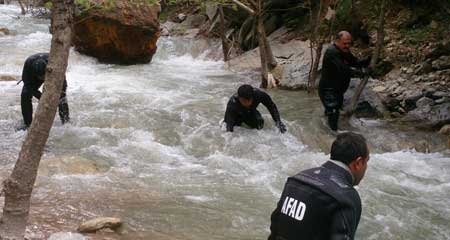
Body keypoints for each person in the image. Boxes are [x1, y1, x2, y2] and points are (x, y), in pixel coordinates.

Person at [268, 132, 370, 240]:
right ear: (358, 163)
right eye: (367, 161)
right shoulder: (346, 196)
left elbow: (274, 229)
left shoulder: (296, 180)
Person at [319, 31, 371, 131]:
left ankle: (326, 130)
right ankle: (331, 137)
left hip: (338, 90)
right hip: (328, 91)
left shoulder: (344, 51)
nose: (347, 46)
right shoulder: (332, 52)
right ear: (337, 41)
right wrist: (360, 74)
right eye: (345, 43)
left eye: (349, 43)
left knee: (333, 113)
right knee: (333, 113)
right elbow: (343, 69)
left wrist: (367, 60)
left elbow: (354, 62)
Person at [19, 53, 70, 130]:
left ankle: (66, 122)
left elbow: (62, 81)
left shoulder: (54, 62)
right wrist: (42, 97)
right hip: (33, 77)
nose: (42, 78)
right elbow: (29, 86)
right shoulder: (28, 66)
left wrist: (60, 93)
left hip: (52, 74)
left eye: (43, 76)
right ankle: (27, 123)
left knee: (61, 97)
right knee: (25, 95)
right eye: (40, 76)